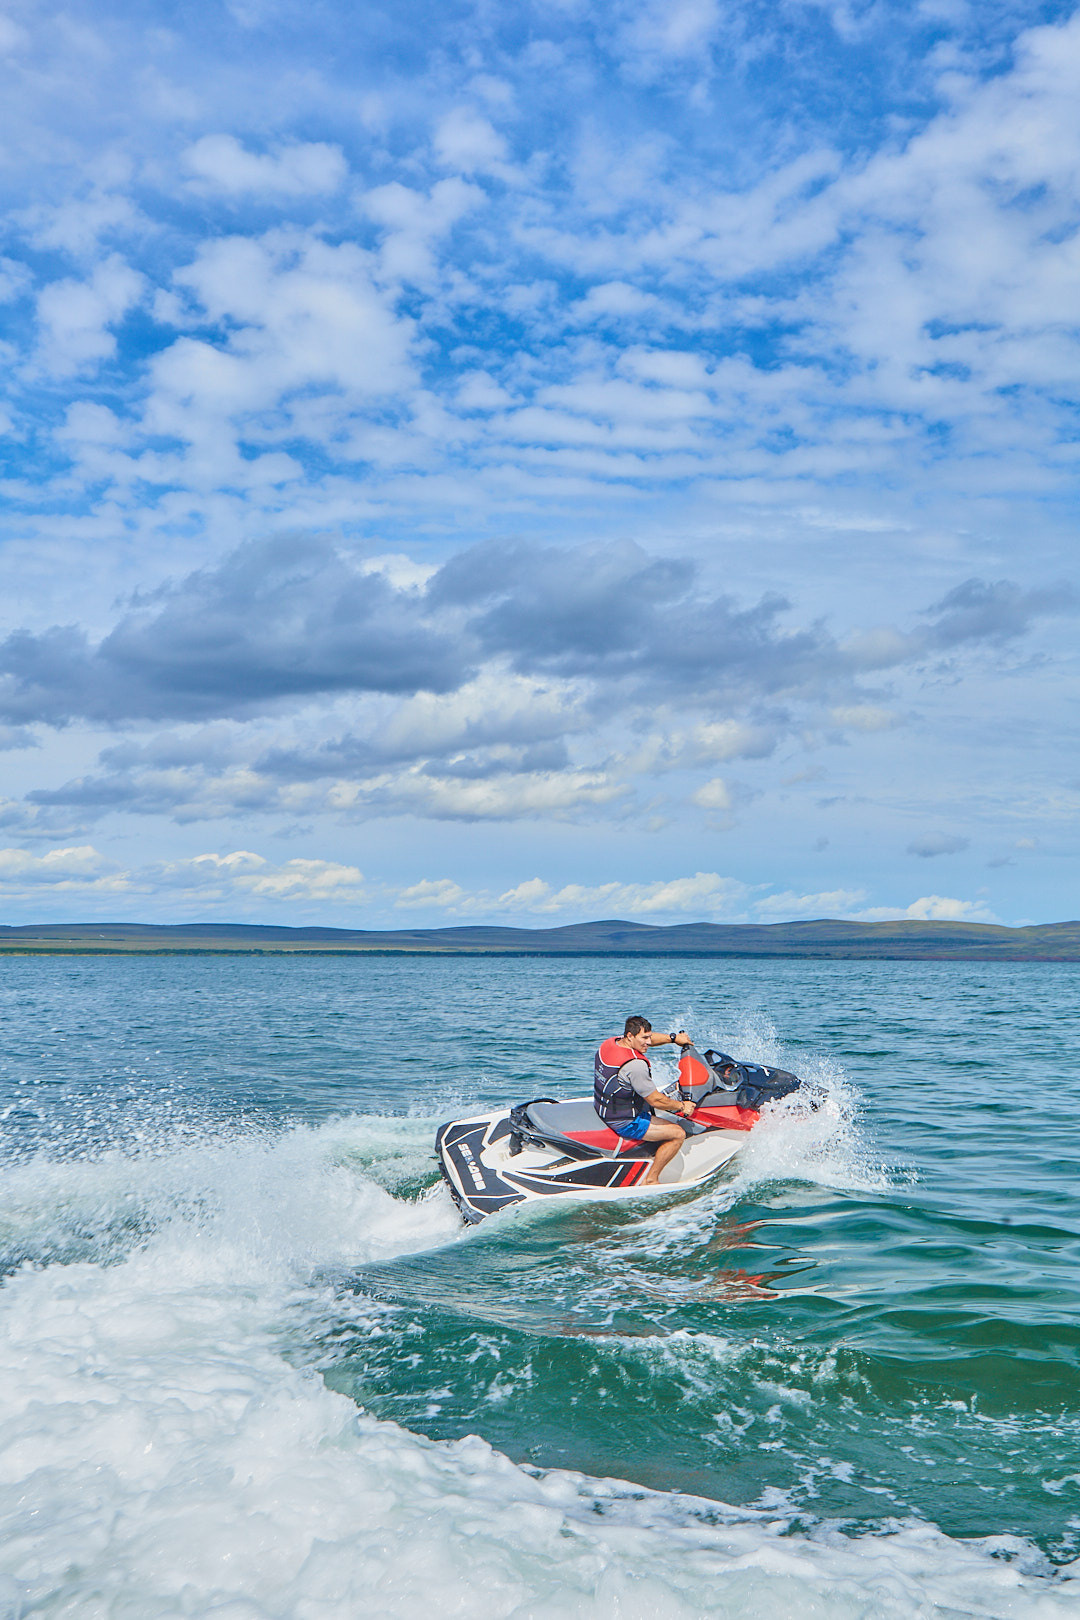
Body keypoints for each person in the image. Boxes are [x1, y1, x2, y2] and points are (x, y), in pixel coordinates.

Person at [594, 1016, 696, 1185]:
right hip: (625, 1121)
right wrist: (682, 1106)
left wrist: (673, 1039)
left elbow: (648, 1038)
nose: (648, 1042)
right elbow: (656, 1100)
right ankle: (651, 1179)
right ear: (629, 1036)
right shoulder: (635, 1066)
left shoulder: (610, 1043)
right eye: (644, 1038)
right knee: (678, 1134)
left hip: (603, 1107)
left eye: (649, 1037)